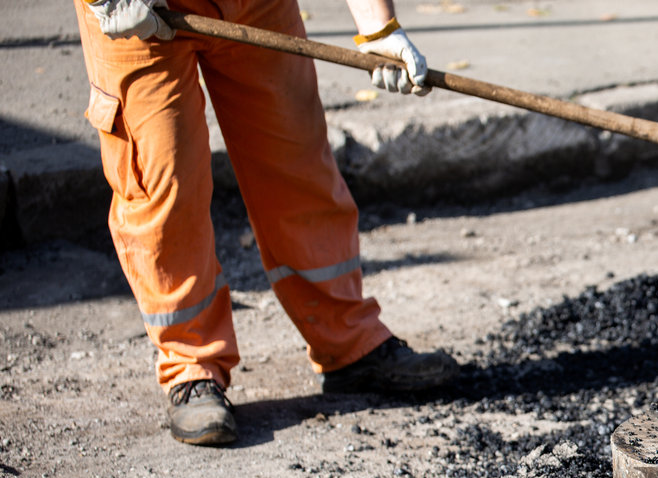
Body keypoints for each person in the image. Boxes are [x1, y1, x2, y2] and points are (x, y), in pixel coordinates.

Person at [75, 0, 460, 447]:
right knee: (164, 182)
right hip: (137, 9)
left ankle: (348, 344)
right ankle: (190, 366)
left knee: (296, 159)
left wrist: (378, 30)